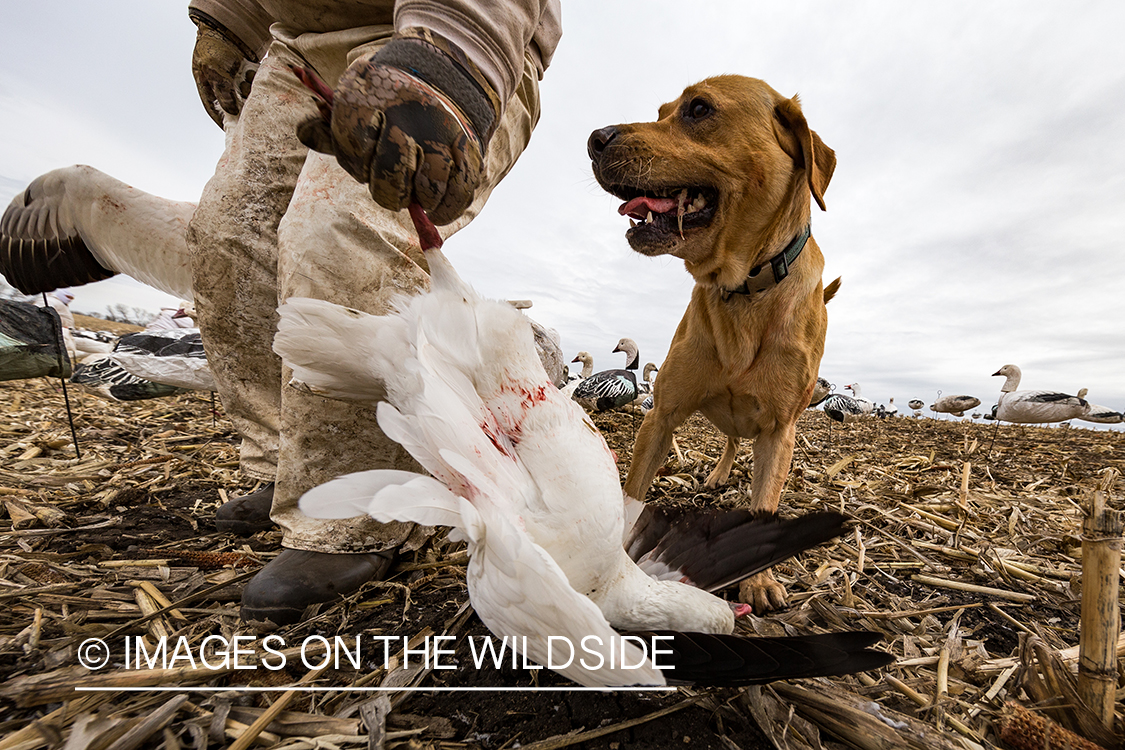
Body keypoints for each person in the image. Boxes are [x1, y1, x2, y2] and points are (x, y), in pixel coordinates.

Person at [185, 0, 561, 626]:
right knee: (230, 235)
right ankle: (288, 467)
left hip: (450, 32)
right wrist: (226, 20)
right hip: (298, 44)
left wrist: (449, 58)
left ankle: (355, 512)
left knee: (339, 228)